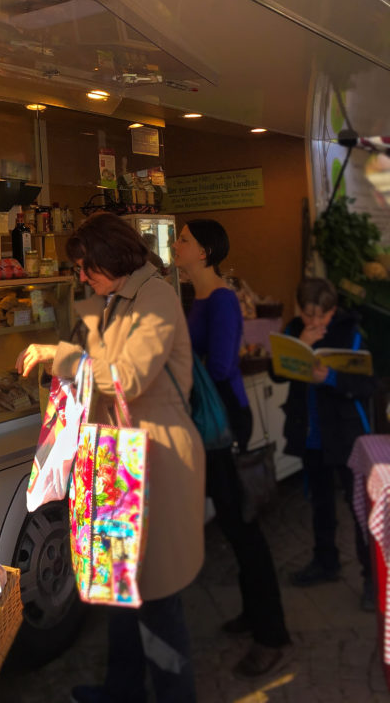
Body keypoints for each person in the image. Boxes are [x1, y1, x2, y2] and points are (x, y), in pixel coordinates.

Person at [17, 212, 205, 703]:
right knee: (120, 588)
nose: (82, 276)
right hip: (118, 460)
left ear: (111, 256)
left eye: (85, 266)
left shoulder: (157, 296)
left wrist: (58, 355)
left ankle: (173, 695)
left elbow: (127, 377)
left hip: (157, 461)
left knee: (158, 601)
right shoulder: (113, 298)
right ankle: (122, 689)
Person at [172, 218, 291, 679]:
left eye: (183, 241)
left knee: (243, 526)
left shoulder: (219, 298)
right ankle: (253, 615)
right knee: (232, 521)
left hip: (225, 419)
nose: (177, 247)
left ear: (204, 252)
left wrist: (183, 366)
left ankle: (272, 635)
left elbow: (220, 365)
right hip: (212, 420)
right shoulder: (199, 297)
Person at [276, 277, 374, 610]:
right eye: (308, 315)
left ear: (333, 310)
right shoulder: (294, 330)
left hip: (346, 434)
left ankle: (372, 578)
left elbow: (366, 384)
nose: (315, 323)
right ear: (298, 308)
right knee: (320, 503)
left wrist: (329, 377)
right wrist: (299, 341)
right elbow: (278, 374)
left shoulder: (350, 332)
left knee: (358, 506)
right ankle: (325, 562)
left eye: (322, 316)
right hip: (311, 434)